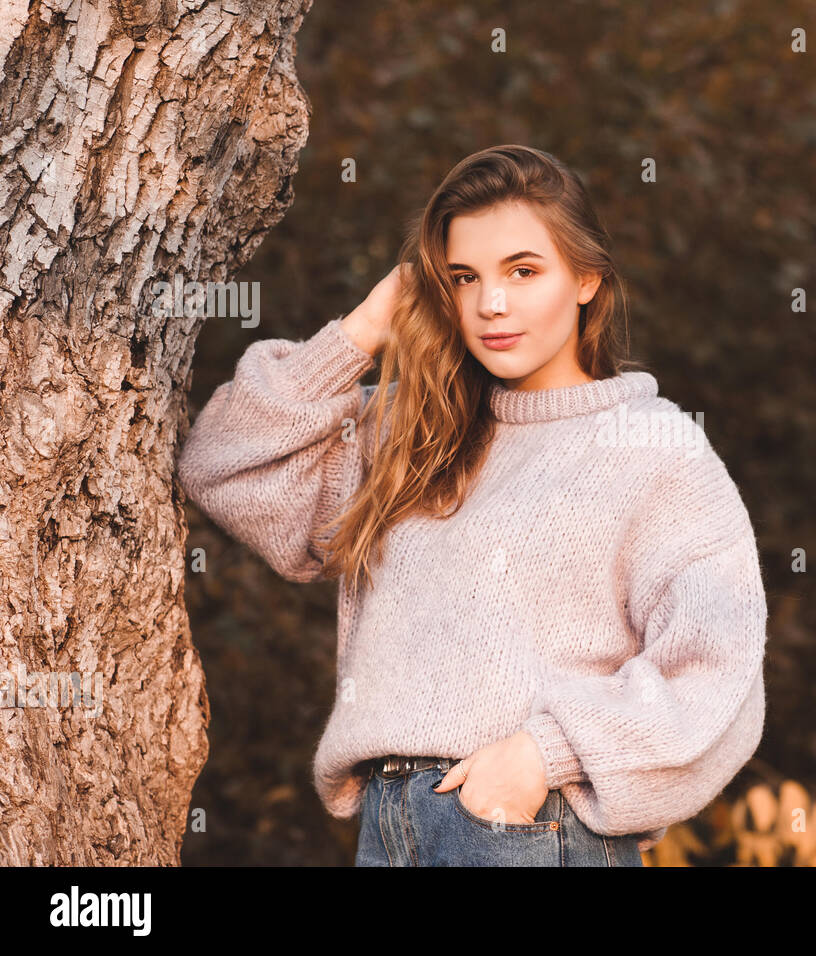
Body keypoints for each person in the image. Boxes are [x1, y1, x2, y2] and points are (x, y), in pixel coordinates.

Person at [177, 145, 768, 866]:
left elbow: (717, 675)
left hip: (530, 826)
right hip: (388, 827)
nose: (491, 304)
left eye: (523, 271)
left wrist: (541, 758)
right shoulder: (412, 431)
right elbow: (223, 461)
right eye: (464, 277)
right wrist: (360, 332)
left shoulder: (652, 449)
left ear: (587, 278)